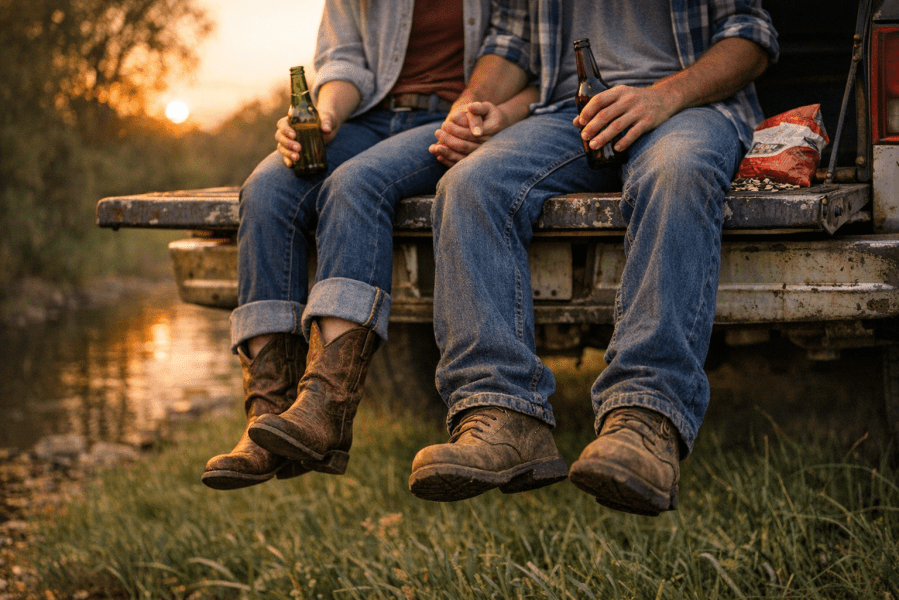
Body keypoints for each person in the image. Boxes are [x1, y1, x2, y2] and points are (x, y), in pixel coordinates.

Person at [408, 0, 779, 515]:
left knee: (675, 172)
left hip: (690, 107)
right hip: (567, 116)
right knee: (468, 184)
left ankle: (646, 418)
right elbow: (509, 45)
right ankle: (503, 415)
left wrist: (659, 98)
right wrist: (475, 104)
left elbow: (751, 39)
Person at [202, 0, 538, 489]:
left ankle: (326, 406)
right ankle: (267, 416)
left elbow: (514, 48)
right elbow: (343, 58)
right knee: (268, 189)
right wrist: (326, 115)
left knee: (356, 184)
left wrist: (471, 112)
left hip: (445, 119)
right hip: (367, 118)